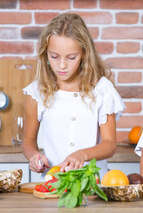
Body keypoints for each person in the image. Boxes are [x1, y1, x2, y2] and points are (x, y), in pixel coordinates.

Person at [22, 13, 125, 179]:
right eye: (54, 56)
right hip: (53, 184)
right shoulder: (37, 92)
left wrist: (82, 154)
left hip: (95, 183)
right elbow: (28, 141)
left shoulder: (101, 89)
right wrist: (34, 156)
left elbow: (109, 145)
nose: (62, 65)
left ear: (84, 53)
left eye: (71, 57)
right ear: (45, 53)